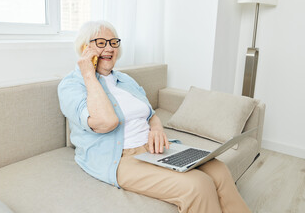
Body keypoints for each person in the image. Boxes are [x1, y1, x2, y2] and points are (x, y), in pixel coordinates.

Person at [57, 20, 251, 213]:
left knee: (218, 169)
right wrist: (88, 74)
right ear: (85, 48)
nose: (109, 48)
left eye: (113, 42)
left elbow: (151, 114)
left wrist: (157, 129)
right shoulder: (72, 86)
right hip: (120, 159)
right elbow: (107, 122)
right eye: (100, 43)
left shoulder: (125, 80)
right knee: (198, 186)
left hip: (152, 150)